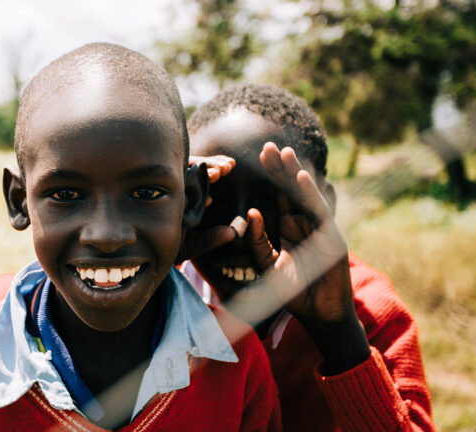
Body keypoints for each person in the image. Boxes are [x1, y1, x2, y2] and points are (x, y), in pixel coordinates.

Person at [0, 43, 281, 431]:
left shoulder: (236, 366)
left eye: (146, 193)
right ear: (20, 202)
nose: (107, 235)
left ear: (193, 199)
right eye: (66, 194)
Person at [181, 83, 434, 431]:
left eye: (270, 199)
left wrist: (339, 334)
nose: (242, 227)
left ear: (325, 202)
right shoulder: (157, 295)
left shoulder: (372, 313)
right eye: (213, 199)